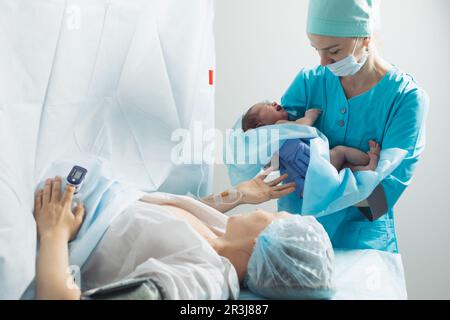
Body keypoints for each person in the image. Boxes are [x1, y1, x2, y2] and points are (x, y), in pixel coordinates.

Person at [276, 0, 429, 251]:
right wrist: (350, 172)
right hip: (296, 239)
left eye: (333, 51)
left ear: (365, 38)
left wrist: (315, 175)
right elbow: (274, 156)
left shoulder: (406, 100)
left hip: (362, 248)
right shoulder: (308, 82)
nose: (324, 63)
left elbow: (378, 203)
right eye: (317, 50)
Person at [33, 175, 334, 300]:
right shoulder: (222, 238)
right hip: (88, 191)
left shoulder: (198, 281)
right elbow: (170, 220)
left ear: (262, 243)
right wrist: (238, 195)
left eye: (269, 217)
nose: (264, 212)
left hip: (56, 230)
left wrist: (54, 234)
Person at [242, 101, 381, 174]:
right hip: (319, 160)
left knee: (344, 169)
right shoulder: (278, 126)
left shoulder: (273, 146)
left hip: (311, 173)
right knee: (341, 151)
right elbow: (302, 126)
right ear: (261, 125)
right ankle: (369, 160)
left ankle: (367, 169)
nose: (273, 102)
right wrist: (310, 116)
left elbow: (273, 165)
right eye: (267, 105)